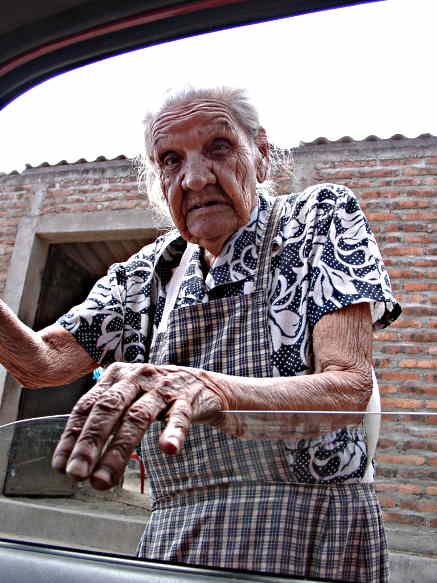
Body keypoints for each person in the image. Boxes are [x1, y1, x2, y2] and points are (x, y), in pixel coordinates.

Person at [0, 86, 400, 582]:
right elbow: (41, 362)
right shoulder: (147, 273)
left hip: (314, 528)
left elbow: (347, 388)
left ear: (261, 155)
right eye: (171, 159)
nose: (194, 177)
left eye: (218, 147)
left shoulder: (318, 220)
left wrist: (207, 388)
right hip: (178, 536)